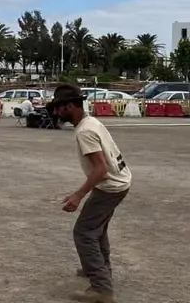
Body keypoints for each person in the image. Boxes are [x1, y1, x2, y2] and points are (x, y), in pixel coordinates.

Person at [51, 84, 131, 303]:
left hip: (110, 187)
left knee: (84, 233)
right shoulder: (90, 122)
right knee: (97, 230)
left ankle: (102, 288)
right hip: (117, 183)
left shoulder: (85, 131)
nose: (57, 112)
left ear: (70, 106)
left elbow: (101, 169)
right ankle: (97, 269)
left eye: (59, 107)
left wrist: (78, 195)